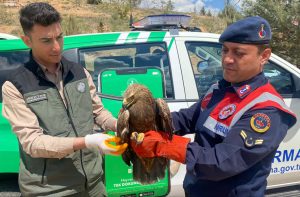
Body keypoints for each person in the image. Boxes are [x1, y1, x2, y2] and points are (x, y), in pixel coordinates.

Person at [131, 16, 297, 196]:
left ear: (264, 56)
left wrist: (164, 145)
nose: (227, 59)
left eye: (238, 53)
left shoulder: (267, 109)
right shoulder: (220, 89)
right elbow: (186, 119)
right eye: (225, 51)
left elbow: (221, 162)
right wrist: (143, 121)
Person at [1, 2, 127, 196]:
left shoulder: (78, 72)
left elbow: (98, 112)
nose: (56, 47)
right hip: (50, 190)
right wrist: (87, 141)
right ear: (27, 40)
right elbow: (33, 143)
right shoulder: (15, 86)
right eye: (46, 40)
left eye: (59, 37)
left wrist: (121, 125)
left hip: (93, 184)